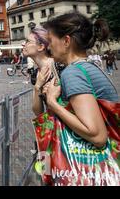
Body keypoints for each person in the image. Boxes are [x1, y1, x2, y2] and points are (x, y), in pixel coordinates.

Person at [42, 12, 118, 149]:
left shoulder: (73, 72)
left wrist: (52, 102)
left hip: (95, 165)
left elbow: (97, 136)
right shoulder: (88, 66)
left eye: (50, 40)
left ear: (66, 41)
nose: (48, 47)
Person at [21, 26, 56, 116]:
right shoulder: (37, 73)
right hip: (56, 126)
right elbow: (38, 112)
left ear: (40, 47)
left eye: (28, 41)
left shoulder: (58, 66)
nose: (23, 44)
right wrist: (37, 87)